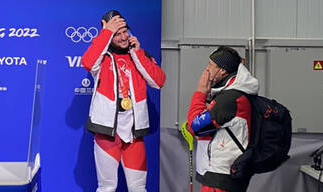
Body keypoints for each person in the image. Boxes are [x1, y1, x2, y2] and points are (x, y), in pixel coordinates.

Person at [81, 10, 166, 192]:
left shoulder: (140, 56)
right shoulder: (101, 58)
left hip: (133, 134)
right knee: (107, 188)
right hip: (107, 132)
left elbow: (159, 82)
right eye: (117, 33)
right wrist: (106, 33)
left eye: (125, 31)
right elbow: (87, 62)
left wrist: (138, 54)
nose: (123, 37)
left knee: (138, 189)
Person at [186, 46, 259, 192]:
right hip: (226, 175)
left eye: (210, 66)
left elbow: (194, 127)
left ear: (223, 70)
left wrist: (200, 92)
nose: (206, 70)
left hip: (221, 178)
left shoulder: (230, 99)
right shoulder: (235, 94)